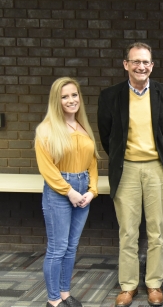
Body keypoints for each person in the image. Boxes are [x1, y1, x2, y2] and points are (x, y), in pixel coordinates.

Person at [97, 42, 163, 307]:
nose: (141, 66)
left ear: (152, 65)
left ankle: (154, 284)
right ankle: (128, 286)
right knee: (128, 232)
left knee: (157, 231)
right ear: (126, 64)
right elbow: (106, 136)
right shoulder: (110, 96)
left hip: (158, 168)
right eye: (135, 61)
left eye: (146, 62)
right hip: (126, 169)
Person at [35, 77, 100, 307]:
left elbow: (92, 162)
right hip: (59, 191)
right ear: (56, 100)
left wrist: (92, 190)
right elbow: (47, 169)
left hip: (83, 190)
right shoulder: (46, 129)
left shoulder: (82, 125)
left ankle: (64, 293)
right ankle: (53, 300)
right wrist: (69, 191)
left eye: (74, 95)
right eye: (65, 96)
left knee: (71, 247)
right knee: (57, 248)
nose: (71, 100)